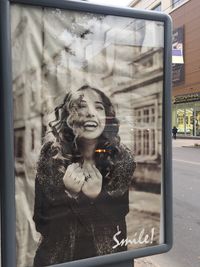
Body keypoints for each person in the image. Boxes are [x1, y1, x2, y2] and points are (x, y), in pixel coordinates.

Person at [33, 85, 136, 266]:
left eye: (98, 107)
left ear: (106, 117)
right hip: (59, 260)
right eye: (81, 106)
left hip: (110, 260)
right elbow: (41, 222)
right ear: (68, 118)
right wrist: (69, 194)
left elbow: (119, 216)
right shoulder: (50, 156)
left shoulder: (120, 158)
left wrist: (97, 197)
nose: (90, 113)